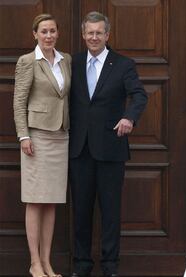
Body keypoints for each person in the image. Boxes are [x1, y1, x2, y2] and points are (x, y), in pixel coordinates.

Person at [69, 11, 147, 277]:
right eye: (89, 33)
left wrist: (129, 117)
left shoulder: (123, 64)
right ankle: (81, 265)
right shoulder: (73, 63)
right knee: (80, 211)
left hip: (111, 149)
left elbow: (139, 95)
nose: (93, 37)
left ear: (107, 35)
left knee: (110, 213)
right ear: (83, 35)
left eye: (98, 33)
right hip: (79, 149)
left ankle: (110, 267)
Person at [13, 13, 71, 277]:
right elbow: (19, 102)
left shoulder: (65, 60)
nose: (49, 36)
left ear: (57, 34)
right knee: (35, 200)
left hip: (61, 136)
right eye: (44, 31)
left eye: (52, 31)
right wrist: (24, 136)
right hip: (36, 138)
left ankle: (47, 262)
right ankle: (34, 263)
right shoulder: (28, 62)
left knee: (52, 201)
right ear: (34, 34)